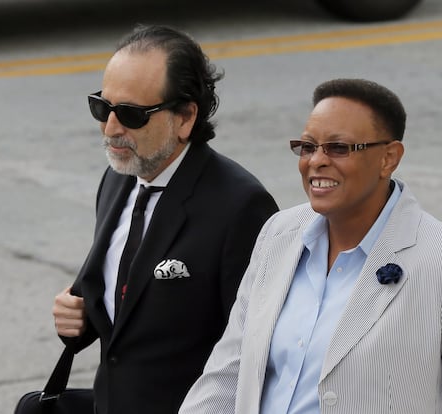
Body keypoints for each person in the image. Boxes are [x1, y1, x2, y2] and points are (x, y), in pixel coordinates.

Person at [179, 78, 442, 413]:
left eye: (339, 148)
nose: (316, 160)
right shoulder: (278, 235)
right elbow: (228, 374)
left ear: (389, 158)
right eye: (308, 146)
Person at [51, 24, 278, 414]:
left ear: (185, 116)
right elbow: (126, 306)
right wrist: (80, 315)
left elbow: (256, 353)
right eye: (101, 107)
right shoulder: (117, 179)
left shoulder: (241, 207)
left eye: (131, 114)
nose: (111, 128)